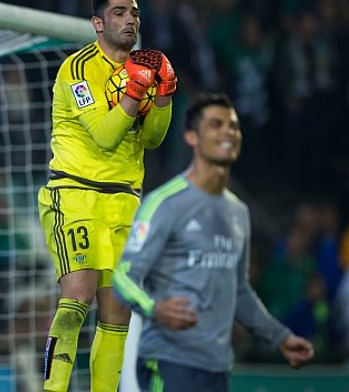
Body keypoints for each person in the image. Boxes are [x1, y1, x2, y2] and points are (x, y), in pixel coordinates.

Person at [112, 93, 314, 391]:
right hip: (169, 362)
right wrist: (156, 309)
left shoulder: (238, 212)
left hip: (217, 368)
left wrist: (280, 337)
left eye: (233, 126)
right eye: (216, 125)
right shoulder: (165, 203)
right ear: (192, 137)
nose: (227, 132)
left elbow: (240, 291)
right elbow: (123, 277)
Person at [37, 0, 177, 390]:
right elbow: (104, 136)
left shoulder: (143, 69)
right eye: (119, 13)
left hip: (123, 201)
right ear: (99, 23)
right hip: (75, 192)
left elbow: (151, 139)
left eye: (134, 12)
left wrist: (162, 96)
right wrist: (136, 91)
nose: (130, 19)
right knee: (78, 293)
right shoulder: (77, 69)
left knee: (117, 312)